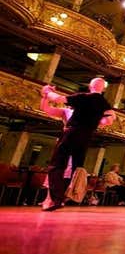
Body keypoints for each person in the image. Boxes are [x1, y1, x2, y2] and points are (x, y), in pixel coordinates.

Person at [40, 79, 115, 212]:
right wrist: (95, 121)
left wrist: (47, 92)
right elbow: (109, 120)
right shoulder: (104, 103)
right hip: (86, 136)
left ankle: (55, 199)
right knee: (72, 169)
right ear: (103, 88)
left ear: (90, 86)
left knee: (57, 165)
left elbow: (57, 98)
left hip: (72, 132)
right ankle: (58, 198)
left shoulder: (83, 97)